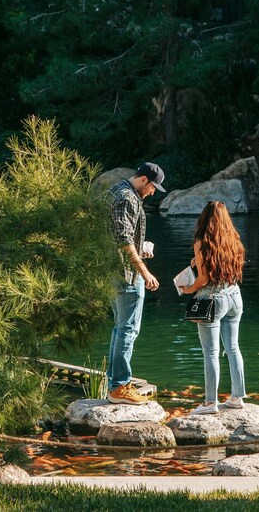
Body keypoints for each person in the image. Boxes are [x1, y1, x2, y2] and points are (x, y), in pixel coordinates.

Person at [105, 162, 165, 404]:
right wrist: (145, 271)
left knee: (120, 328)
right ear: (143, 180)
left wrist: (142, 251)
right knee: (128, 330)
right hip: (126, 274)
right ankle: (119, 387)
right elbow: (123, 239)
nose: (152, 192)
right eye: (152, 187)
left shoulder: (115, 191)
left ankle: (115, 382)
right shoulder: (128, 198)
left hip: (113, 270)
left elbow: (120, 236)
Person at [180, 201, 246, 415]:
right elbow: (221, 266)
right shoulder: (233, 239)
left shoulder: (201, 241)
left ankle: (210, 403)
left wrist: (189, 289)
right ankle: (237, 397)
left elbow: (204, 278)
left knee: (210, 352)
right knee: (233, 347)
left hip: (213, 300)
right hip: (235, 296)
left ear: (204, 218)